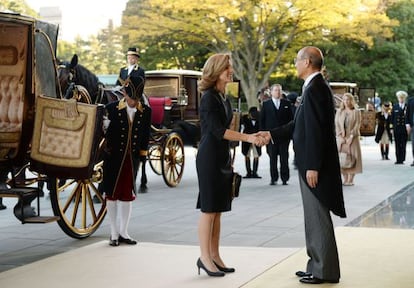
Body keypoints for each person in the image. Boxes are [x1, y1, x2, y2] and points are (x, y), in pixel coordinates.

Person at [259, 46, 346, 284]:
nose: (295, 64)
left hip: (314, 164)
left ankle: (324, 271)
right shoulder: (311, 87)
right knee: (312, 217)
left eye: (297, 60)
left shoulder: (317, 88)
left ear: (307, 62)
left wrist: (313, 166)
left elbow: (317, 131)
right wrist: (270, 134)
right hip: (309, 161)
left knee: (318, 216)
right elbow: (299, 125)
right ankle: (316, 264)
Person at [196, 53, 264, 277]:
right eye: (227, 67)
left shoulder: (222, 96)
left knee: (218, 210)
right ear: (217, 70)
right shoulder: (208, 98)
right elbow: (217, 131)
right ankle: (204, 258)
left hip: (222, 156)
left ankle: (215, 255)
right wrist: (249, 138)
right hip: (208, 158)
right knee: (209, 209)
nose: (231, 71)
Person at [102, 75, 151, 246]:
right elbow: (104, 135)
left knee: (127, 195)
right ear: (124, 93)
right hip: (114, 160)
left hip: (132, 160)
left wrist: (143, 155)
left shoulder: (146, 111)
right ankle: (113, 233)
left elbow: (145, 135)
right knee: (112, 195)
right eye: (129, 97)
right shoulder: (111, 109)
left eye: (135, 99)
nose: (132, 102)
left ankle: (124, 232)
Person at [116, 47, 149, 193]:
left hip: (136, 95)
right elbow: (119, 80)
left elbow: (141, 82)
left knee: (143, 107)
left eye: (134, 57)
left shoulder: (139, 70)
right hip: (123, 94)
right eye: (129, 57)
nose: (131, 59)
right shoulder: (123, 69)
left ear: (137, 59)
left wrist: (130, 85)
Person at [260, 84, 293, 185]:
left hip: (284, 136)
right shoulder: (266, 104)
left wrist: (290, 135)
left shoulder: (286, 103)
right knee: (272, 158)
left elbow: (291, 120)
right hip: (270, 135)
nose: (278, 92)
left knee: (284, 158)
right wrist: (263, 135)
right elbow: (262, 120)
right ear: (271, 92)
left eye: (279, 90)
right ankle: (273, 178)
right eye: (275, 90)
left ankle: (285, 178)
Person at [335, 93, 362, 186]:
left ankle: (351, 179)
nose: (346, 101)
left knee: (353, 157)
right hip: (342, 138)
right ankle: (345, 178)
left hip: (352, 138)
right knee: (342, 158)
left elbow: (357, 125)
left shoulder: (356, 111)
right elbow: (337, 124)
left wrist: (351, 136)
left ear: (352, 101)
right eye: (345, 99)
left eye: (348, 100)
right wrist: (340, 136)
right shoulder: (339, 111)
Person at [241, 107, 262, 178]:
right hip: (247, 139)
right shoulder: (245, 118)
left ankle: (255, 172)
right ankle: (248, 172)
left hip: (256, 139)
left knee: (256, 155)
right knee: (247, 155)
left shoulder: (259, 119)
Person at [392, 90, 408, 164]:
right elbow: (392, 118)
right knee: (397, 144)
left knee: (403, 144)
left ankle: (402, 158)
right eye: (399, 98)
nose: (401, 99)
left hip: (404, 128)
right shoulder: (395, 106)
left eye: (402, 98)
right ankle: (398, 159)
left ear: (404, 98)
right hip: (397, 128)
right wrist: (391, 128)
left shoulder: (407, 106)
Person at [405, 95, 414, 166]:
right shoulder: (410, 100)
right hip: (413, 125)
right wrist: (407, 124)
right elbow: (407, 113)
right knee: (413, 144)